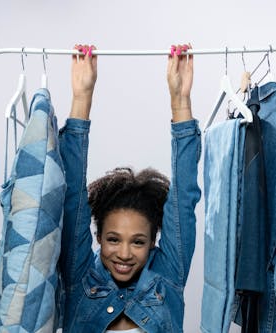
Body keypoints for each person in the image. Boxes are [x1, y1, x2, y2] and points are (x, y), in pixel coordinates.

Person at [58, 44, 201, 333]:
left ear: (153, 242)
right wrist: (82, 97)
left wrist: (181, 101)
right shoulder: (80, 274)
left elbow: (183, 198)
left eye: (137, 242)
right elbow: (72, 195)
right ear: (97, 236)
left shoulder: (167, 275)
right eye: (113, 239)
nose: (124, 253)